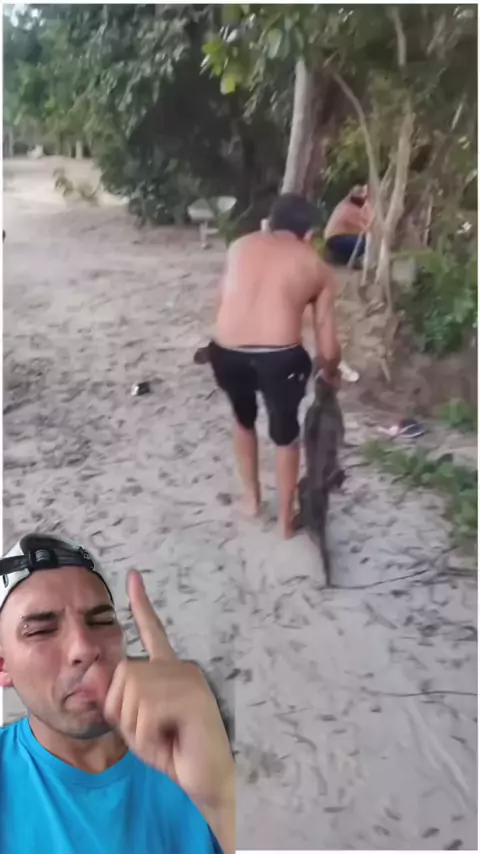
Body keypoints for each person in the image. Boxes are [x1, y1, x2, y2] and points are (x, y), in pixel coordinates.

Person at [0, 533, 235, 854]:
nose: (84, 647)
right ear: (3, 665)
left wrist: (222, 800)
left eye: (101, 621)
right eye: (41, 630)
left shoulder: (193, 743)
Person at [209, 193, 341, 539]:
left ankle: (252, 501)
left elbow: (220, 302)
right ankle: (285, 521)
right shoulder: (316, 266)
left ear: (270, 224)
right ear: (309, 234)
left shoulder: (239, 247)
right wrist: (331, 372)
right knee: (286, 435)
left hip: (225, 351)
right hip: (280, 358)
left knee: (243, 420)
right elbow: (327, 347)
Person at [324, 181, 374, 267]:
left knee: (365, 240)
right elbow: (367, 226)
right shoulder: (350, 209)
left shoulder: (345, 206)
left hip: (336, 239)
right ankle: (355, 261)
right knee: (367, 241)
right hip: (336, 239)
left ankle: (346, 260)